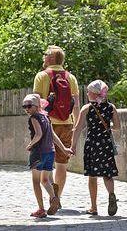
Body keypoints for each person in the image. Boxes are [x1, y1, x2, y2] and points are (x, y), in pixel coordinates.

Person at [32, 45, 80, 205]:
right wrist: (75, 125)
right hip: (67, 124)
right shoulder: (71, 77)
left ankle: (52, 196)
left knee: (46, 162)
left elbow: (36, 103)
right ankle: (57, 197)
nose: (43, 56)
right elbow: (76, 105)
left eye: (46, 54)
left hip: (47, 125)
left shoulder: (41, 76)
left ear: (51, 58)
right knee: (61, 164)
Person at [70, 79, 120, 217]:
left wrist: (73, 146)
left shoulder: (87, 108)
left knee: (92, 176)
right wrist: (107, 127)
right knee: (107, 174)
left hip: (92, 144)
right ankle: (111, 194)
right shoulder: (111, 107)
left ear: (93, 93)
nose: (87, 93)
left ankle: (94, 207)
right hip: (106, 144)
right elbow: (117, 127)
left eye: (88, 91)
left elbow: (77, 128)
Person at [22, 93, 64, 218]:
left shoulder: (33, 118)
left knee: (36, 181)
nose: (27, 109)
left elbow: (38, 134)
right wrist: (64, 149)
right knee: (45, 180)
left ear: (36, 106)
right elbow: (53, 136)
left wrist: (30, 145)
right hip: (50, 152)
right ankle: (54, 198)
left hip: (38, 153)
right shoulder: (46, 117)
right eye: (24, 106)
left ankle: (41, 209)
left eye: (29, 106)